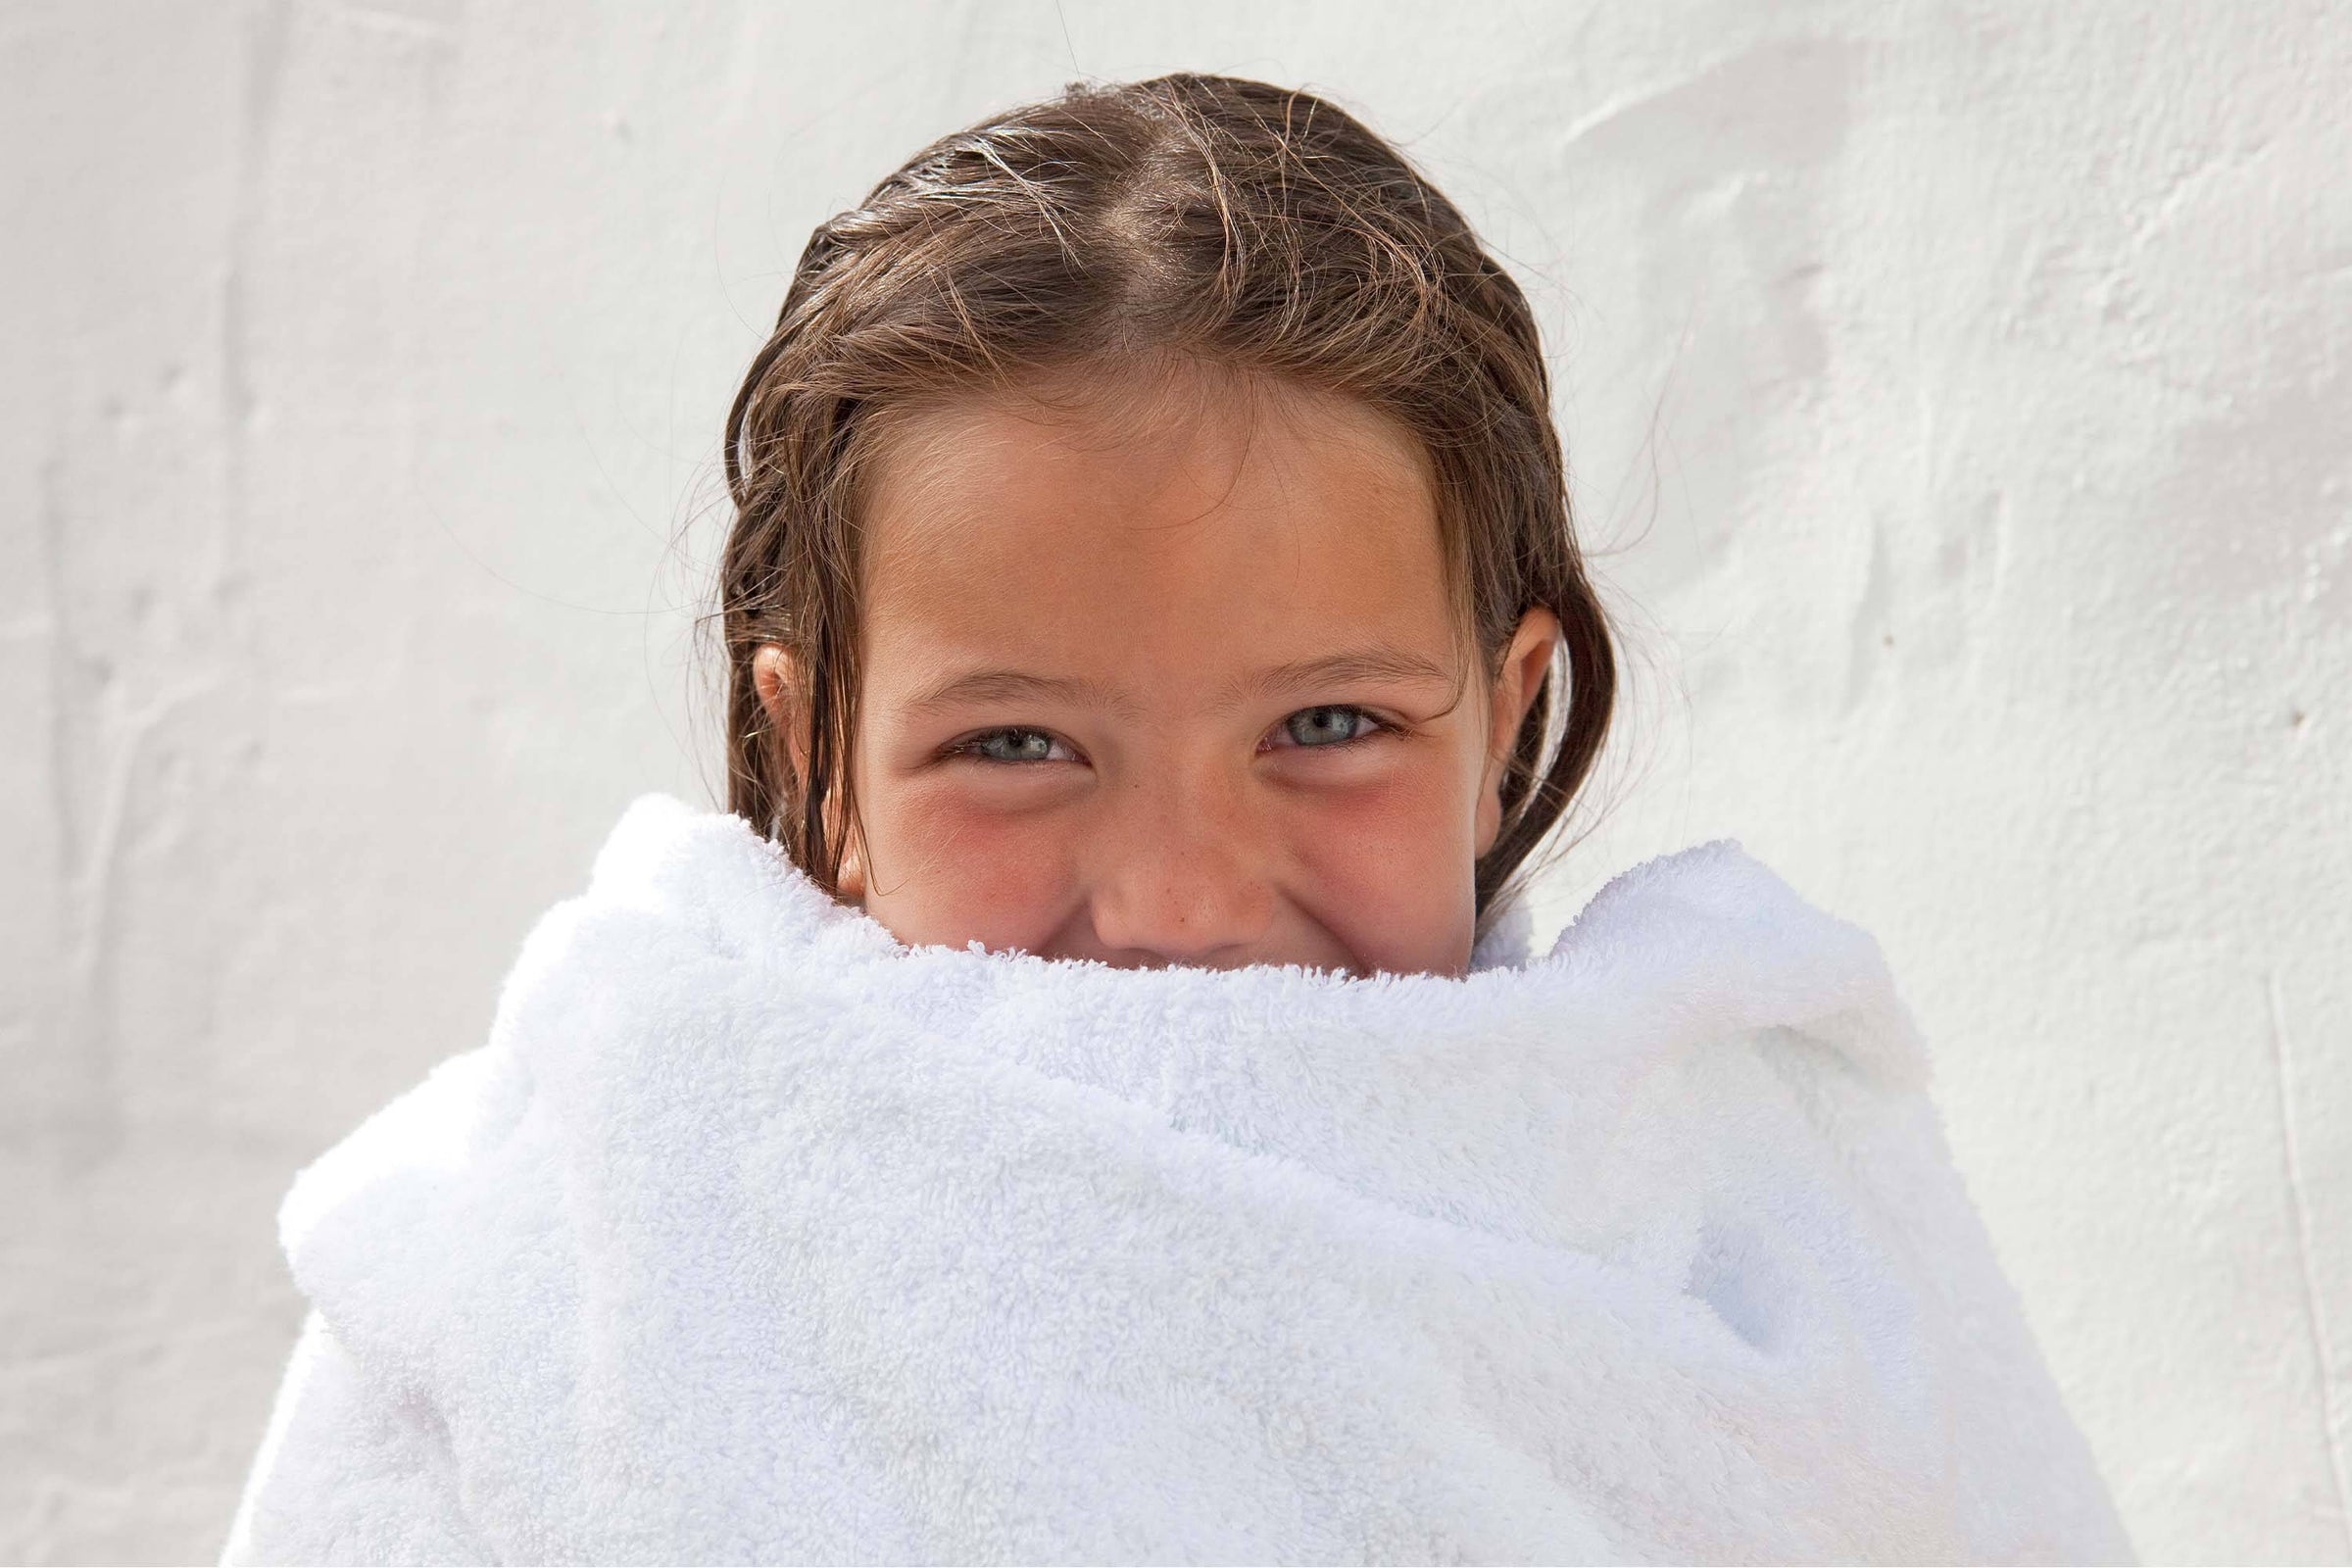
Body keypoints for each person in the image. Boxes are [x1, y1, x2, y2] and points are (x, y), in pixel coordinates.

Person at [220, 74, 2133, 1563]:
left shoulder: (1746, 1206)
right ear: (820, 764)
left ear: (1507, 715)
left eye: (1325, 721)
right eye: (1019, 746)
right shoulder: (576, 1227)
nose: (1183, 899)